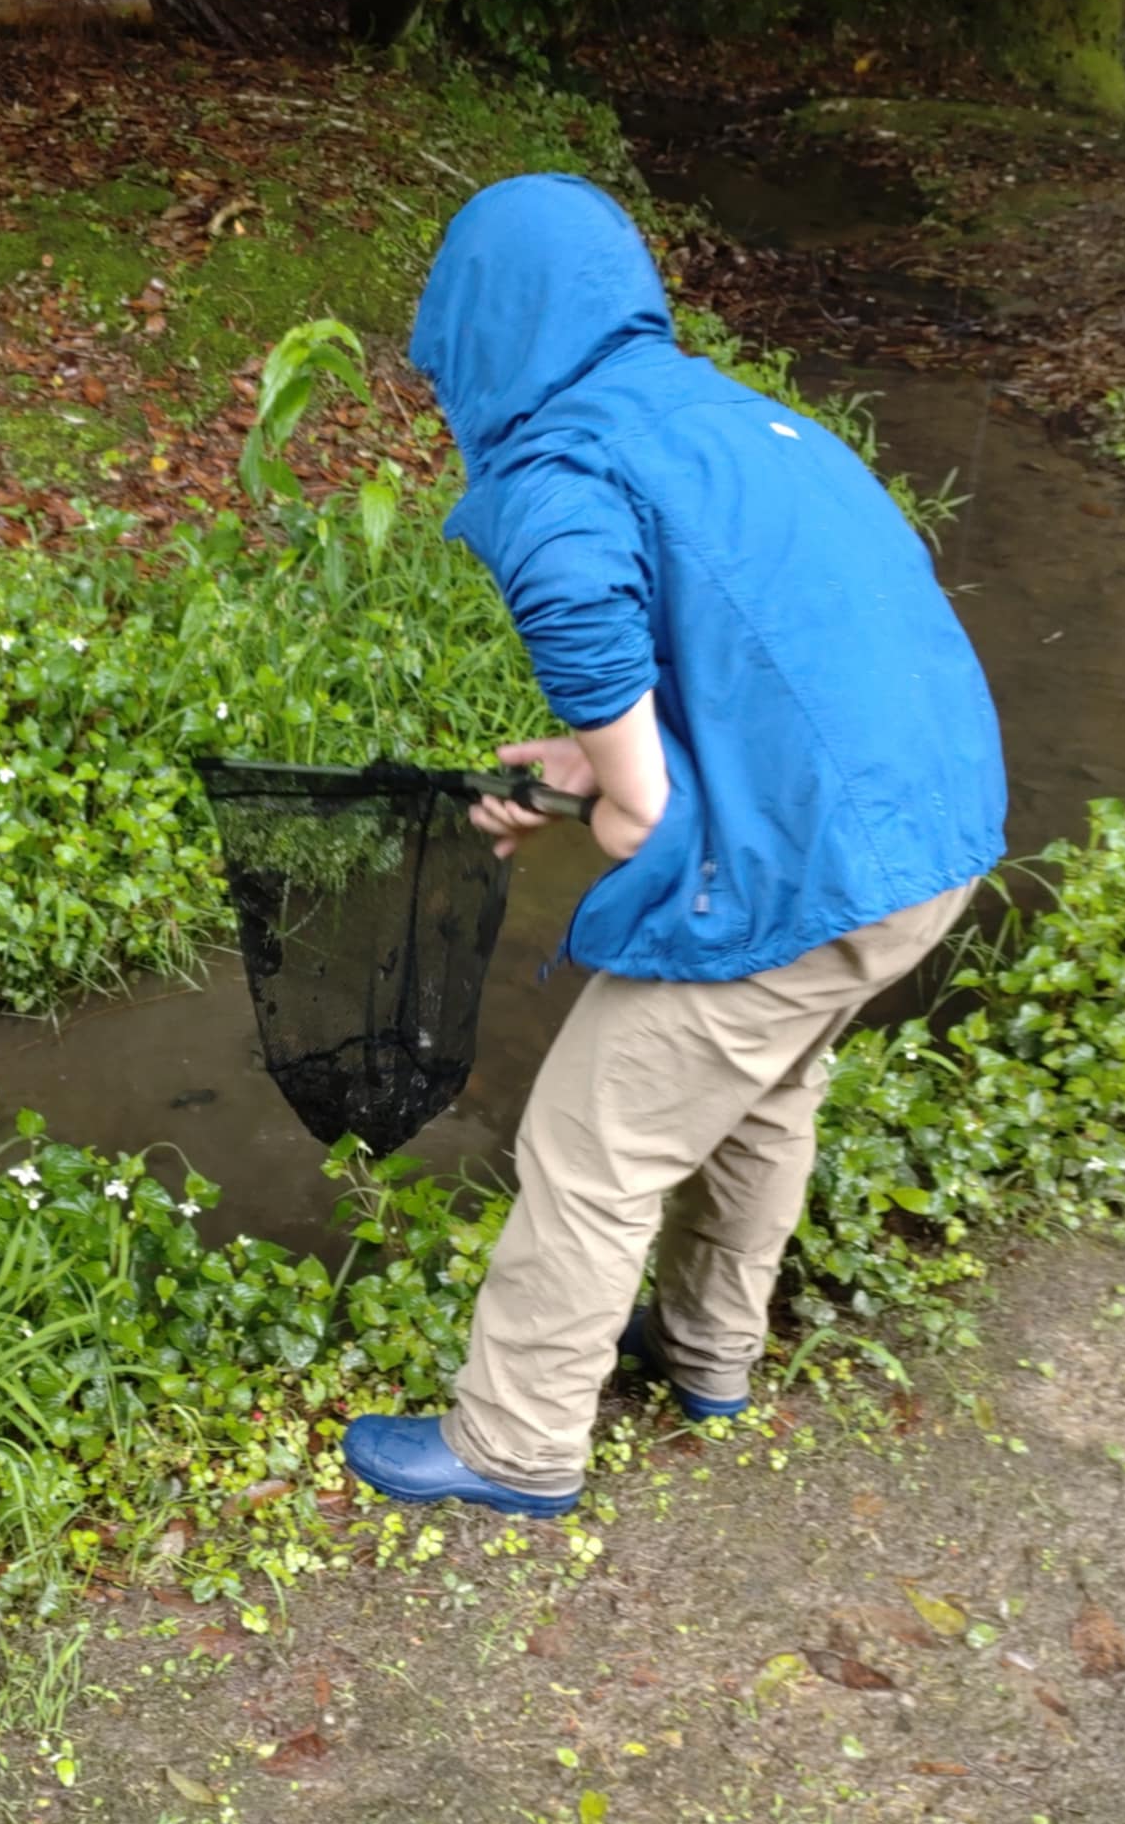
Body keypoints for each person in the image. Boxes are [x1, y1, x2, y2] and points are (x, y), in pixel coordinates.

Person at [342, 174, 1005, 1518]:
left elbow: (582, 590)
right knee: (764, 1088)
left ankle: (515, 1445)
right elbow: (763, 638)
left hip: (819, 858)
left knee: (592, 1142)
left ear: (486, 321)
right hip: (935, 834)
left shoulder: (556, 460)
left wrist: (632, 797)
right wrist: (599, 754)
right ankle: (707, 1354)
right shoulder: (734, 415)